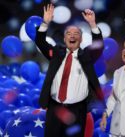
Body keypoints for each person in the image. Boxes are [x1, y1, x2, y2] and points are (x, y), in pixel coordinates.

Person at [35, 4, 105, 137]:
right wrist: (45, 23)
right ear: (64, 39)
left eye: (76, 33)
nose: (72, 36)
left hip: (77, 111)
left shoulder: (87, 56)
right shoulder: (55, 53)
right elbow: (40, 42)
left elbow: (99, 46)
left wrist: (92, 24)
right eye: (69, 33)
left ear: (81, 39)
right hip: (55, 108)